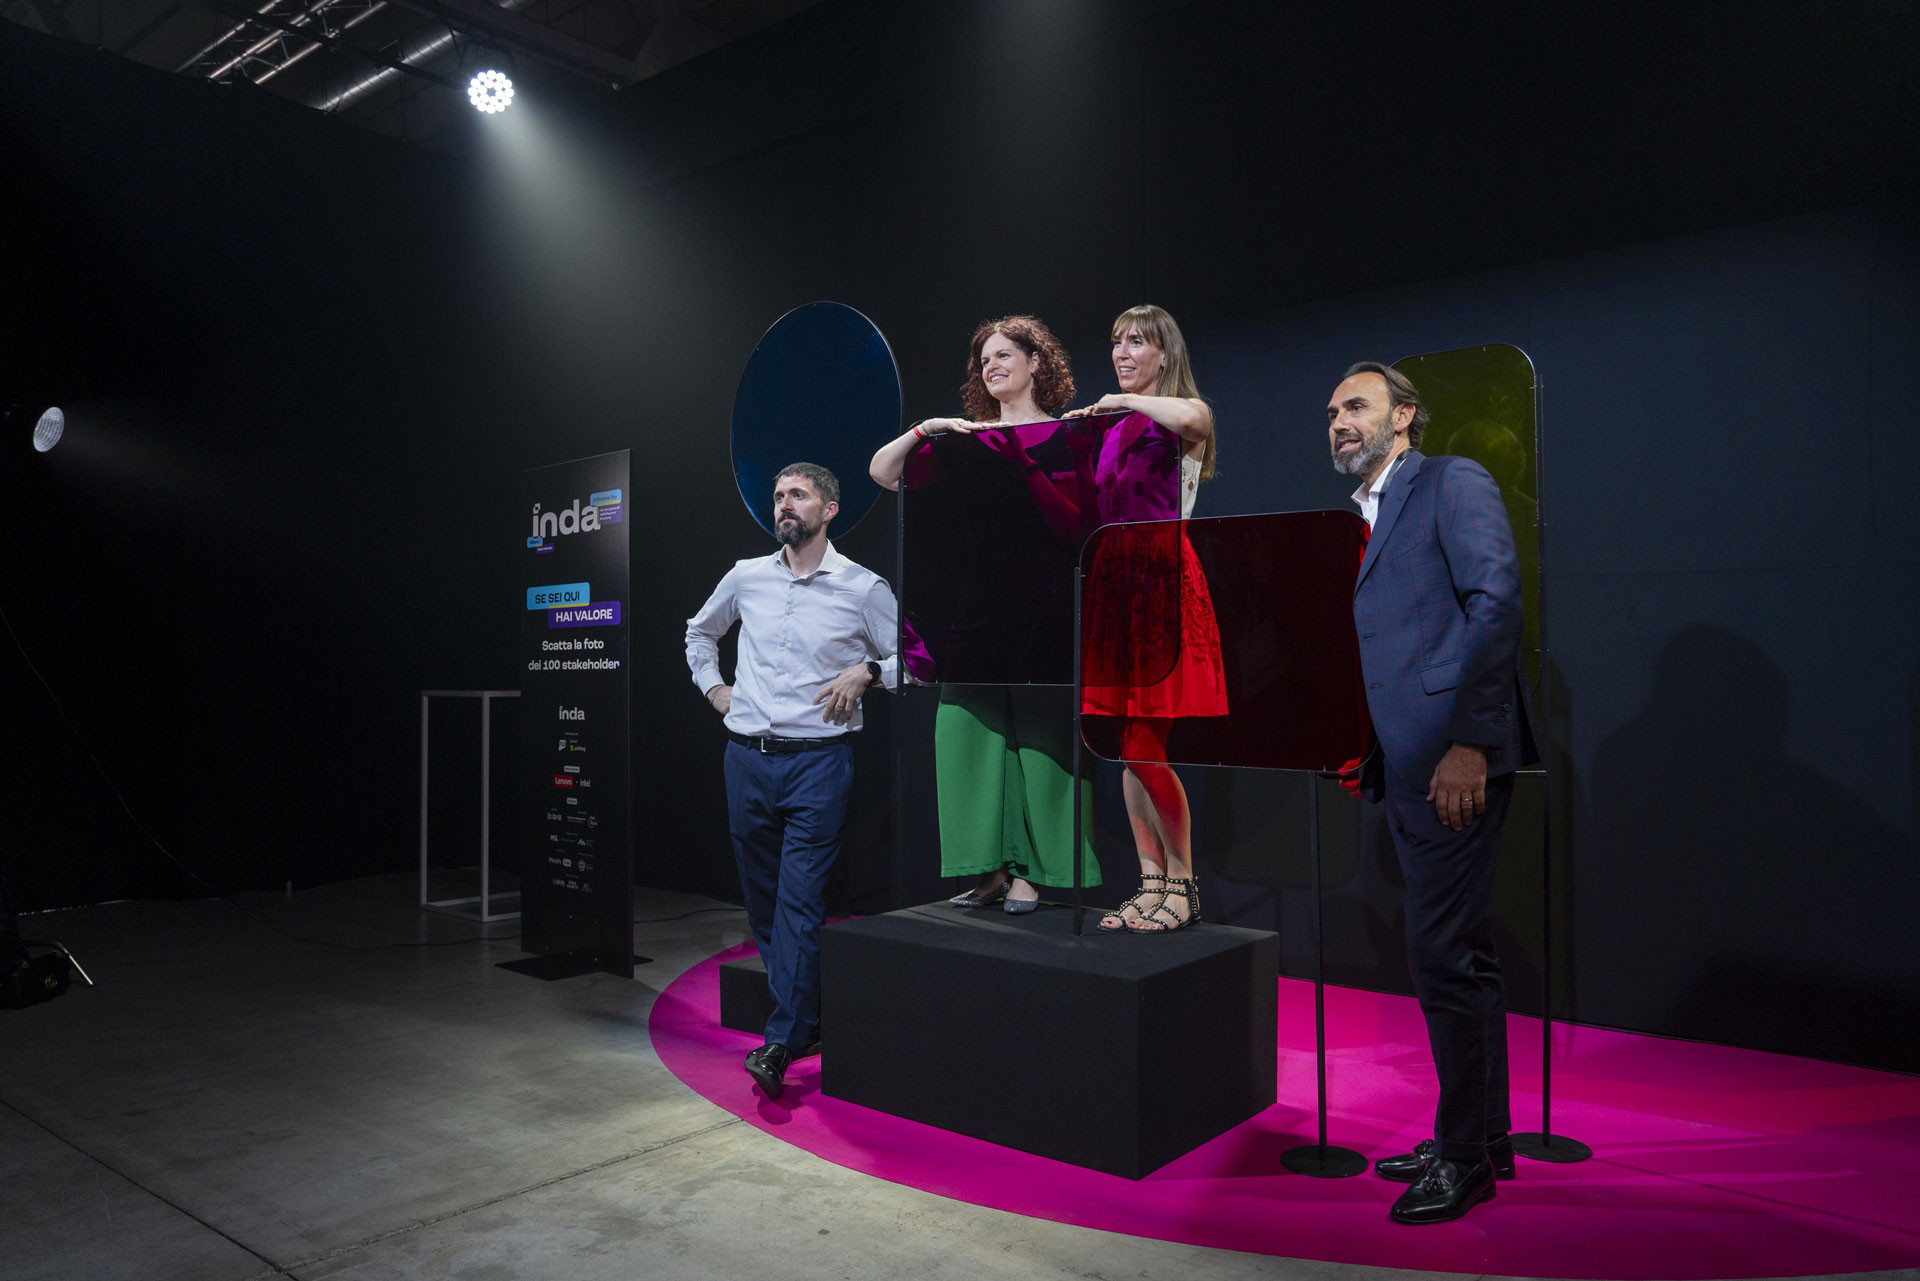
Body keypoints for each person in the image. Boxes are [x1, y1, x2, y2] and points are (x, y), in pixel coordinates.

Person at [1326, 362, 1536, 1224]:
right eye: (1332, 412)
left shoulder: (1452, 480)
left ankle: (1462, 1161)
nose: (1339, 421)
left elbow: (1496, 603)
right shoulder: (1365, 514)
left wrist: (1470, 743)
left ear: (1405, 415)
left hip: (1454, 759)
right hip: (1409, 762)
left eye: (1357, 405)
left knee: (1443, 953)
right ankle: (1484, 1138)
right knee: (1461, 955)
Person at [869, 316, 1099, 913]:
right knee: (965, 737)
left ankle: (1034, 874)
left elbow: (1078, 523)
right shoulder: (966, 441)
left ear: (1035, 361)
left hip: (1047, 610)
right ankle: (988, 871)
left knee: (1042, 744)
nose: (991, 367)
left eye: (1003, 355)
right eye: (983, 360)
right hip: (975, 614)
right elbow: (883, 474)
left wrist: (1024, 464)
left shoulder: (1068, 435)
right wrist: (927, 429)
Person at [684, 462, 898, 1101]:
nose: (784, 504)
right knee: (764, 901)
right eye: (779, 495)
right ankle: (805, 1020)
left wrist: (868, 671)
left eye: (798, 495)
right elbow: (699, 633)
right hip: (746, 759)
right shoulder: (746, 576)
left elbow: (915, 660)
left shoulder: (862, 588)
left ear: (829, 510)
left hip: (818, 763)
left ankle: (780, 1040)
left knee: (800, 901)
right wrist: (714, 688)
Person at [1066, 304, 1227, 933]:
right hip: (1114, 587)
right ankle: (1150, 881)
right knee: (1126, 749)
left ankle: (1183, 885)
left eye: (1137, 342)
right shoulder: (1112, 427)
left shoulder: (1177, 416)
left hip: (1160, 582)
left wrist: (1122, 402)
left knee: (1144, 746)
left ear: (1164, 354)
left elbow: (1195, 418)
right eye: (1117, 342)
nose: (1123, 352)